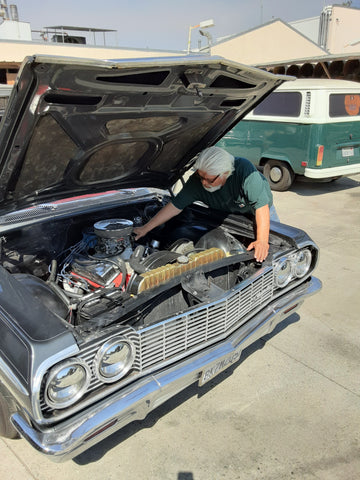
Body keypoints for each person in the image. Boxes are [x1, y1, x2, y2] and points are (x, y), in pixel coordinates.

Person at [134, 146, 279, 262]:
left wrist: (261, 241)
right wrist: (146, 228)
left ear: (225, 173)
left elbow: (261, 207)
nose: (203, 182)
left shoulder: (244, 171)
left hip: (258, 212)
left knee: (273, 250)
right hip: (224, 214)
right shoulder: (197, 182)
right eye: (201, 176)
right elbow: (175, 206)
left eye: (209, 179)